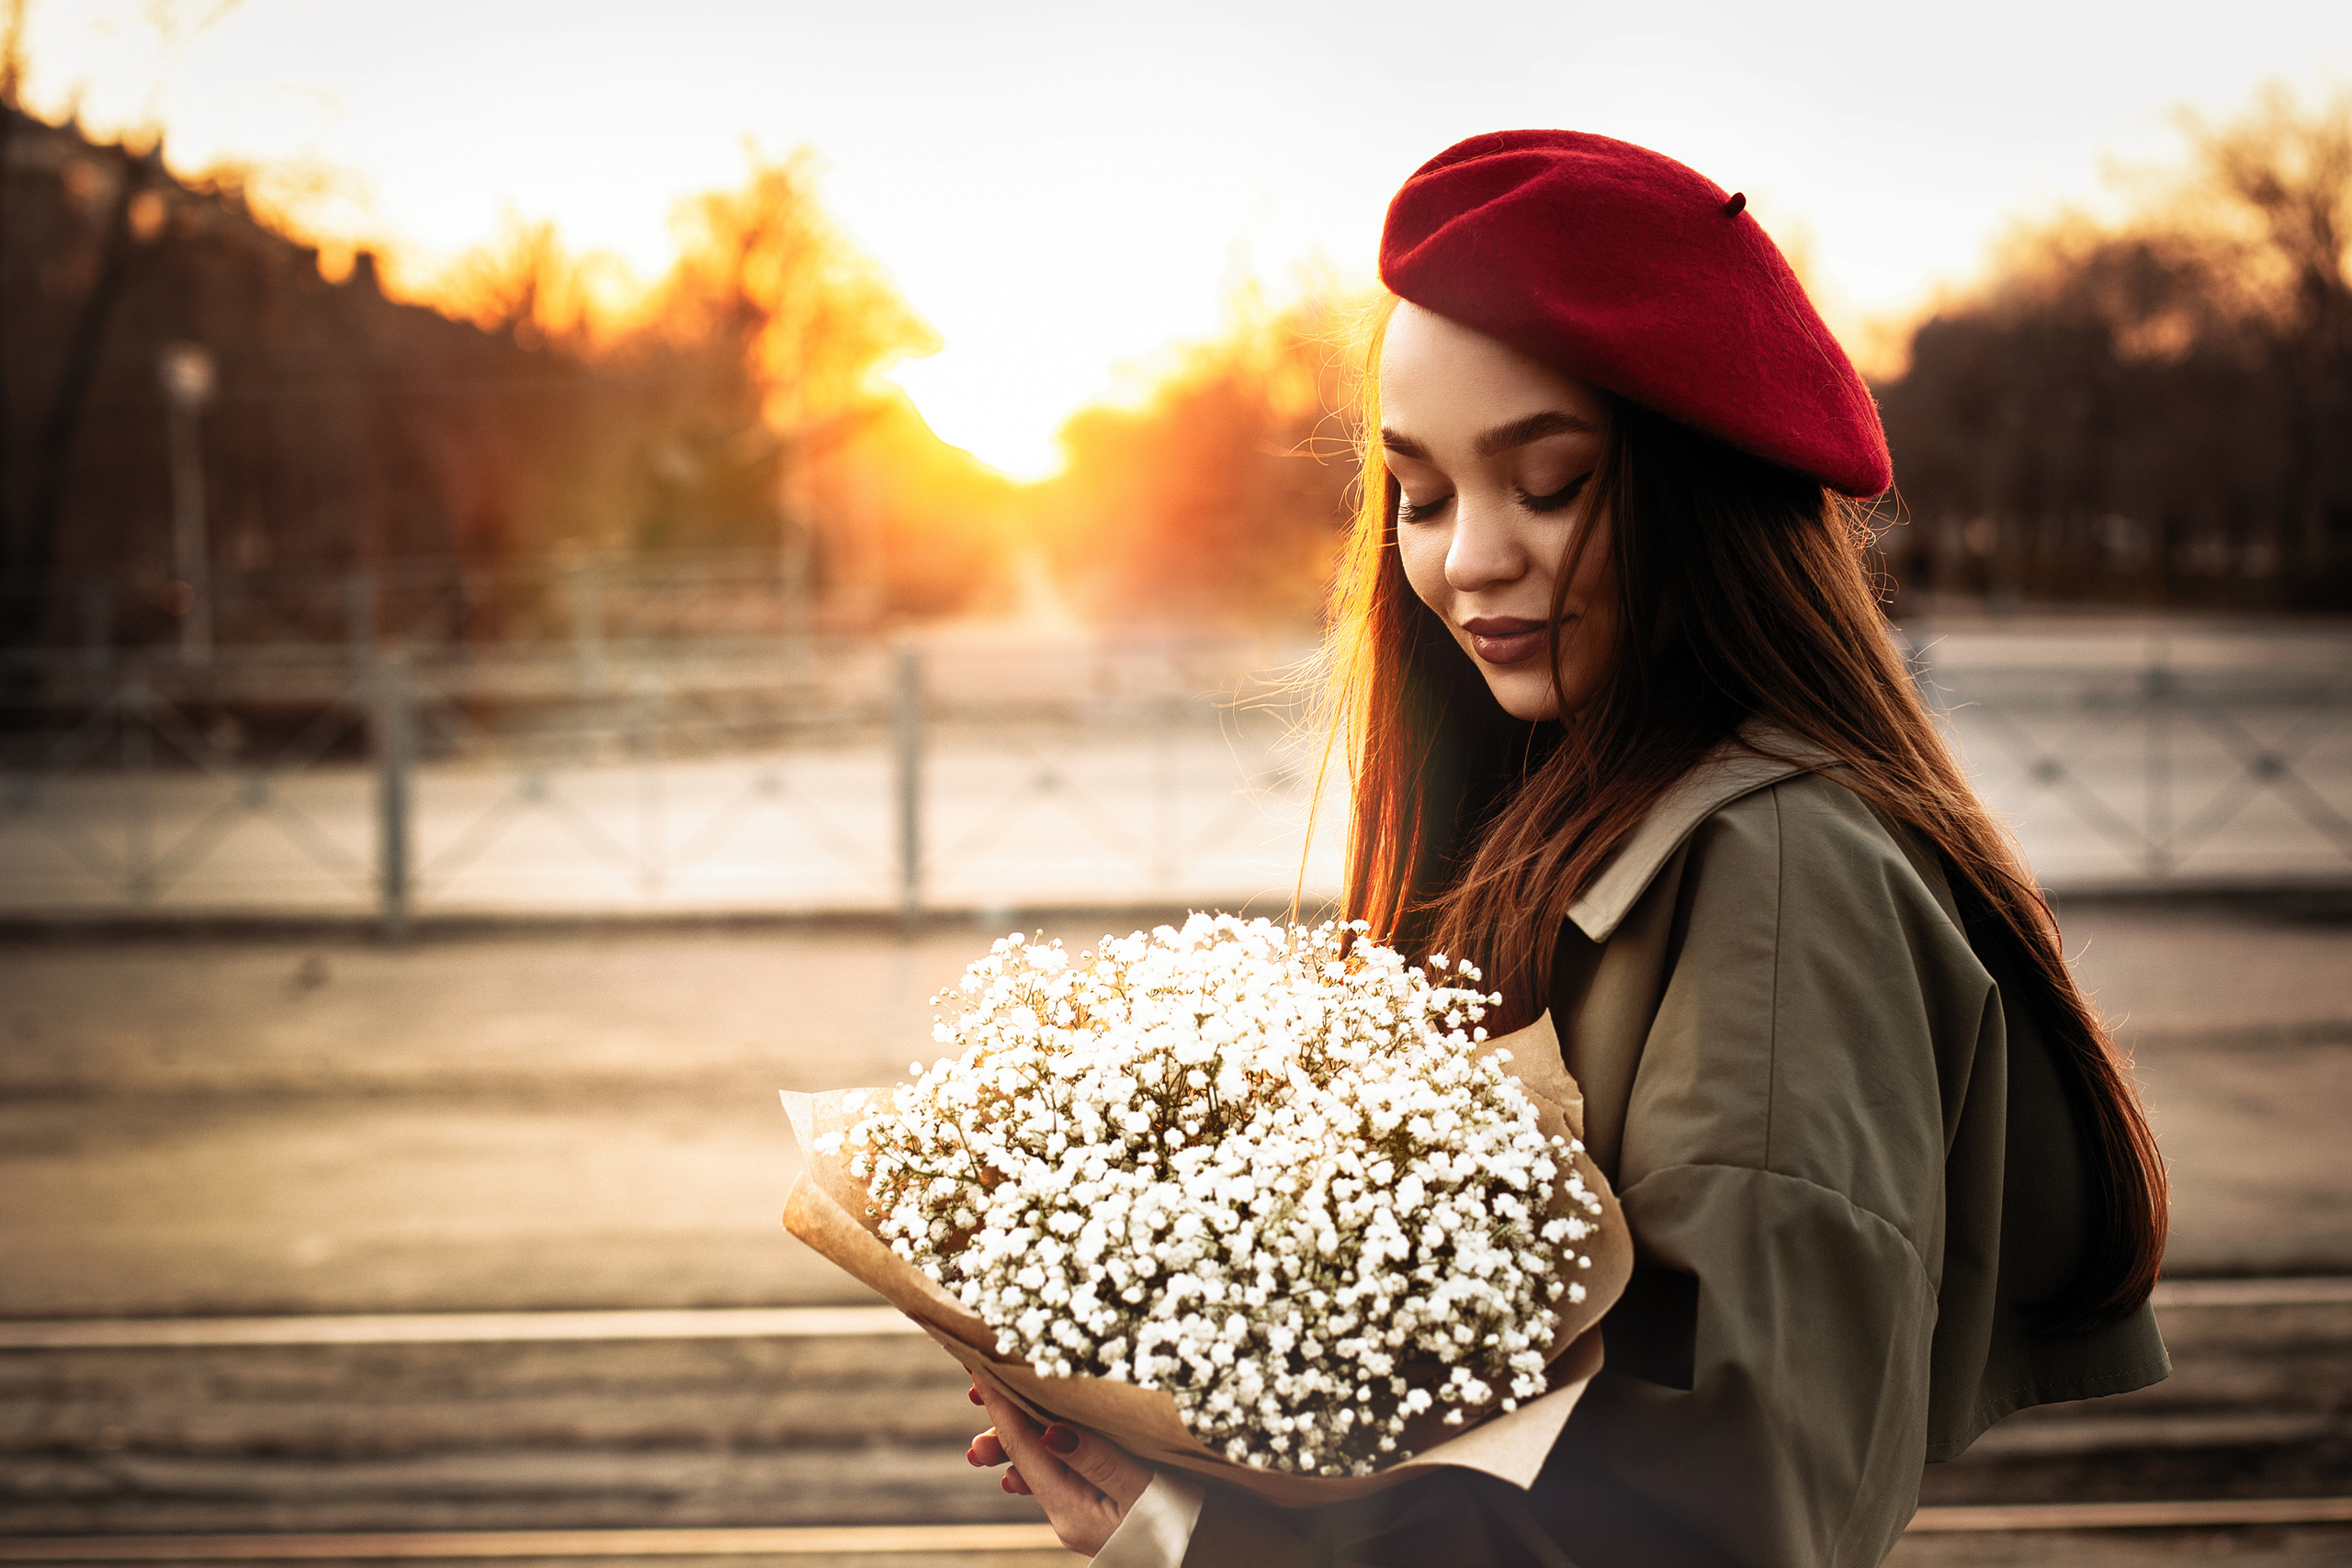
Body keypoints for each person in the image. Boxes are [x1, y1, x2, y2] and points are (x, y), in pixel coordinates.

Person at [962, 129, 2171, 1568]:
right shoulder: (1565, 812)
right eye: (1420, 496)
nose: (1467, 557)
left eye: (1546, 484)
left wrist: (1193, 1533)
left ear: (1710, 498)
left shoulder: (1782, 880)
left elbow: (1720, 1533)